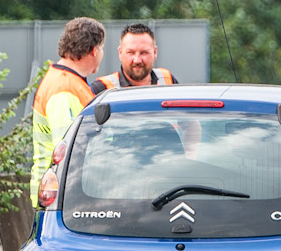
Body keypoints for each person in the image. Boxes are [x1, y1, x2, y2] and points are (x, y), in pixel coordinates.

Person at [30, 17, 105, 205]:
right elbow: (70, 150)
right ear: (93, 51)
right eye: (102, 47)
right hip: (63, 196)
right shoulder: (64, 88)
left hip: (59, 193)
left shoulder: (67, 81)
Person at [91, 22, 177, 92]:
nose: (137, 60)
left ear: (155, 52)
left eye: (144, 53)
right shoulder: (103, 88)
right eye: (131, 52)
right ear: (120, 53)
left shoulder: (168, 80)